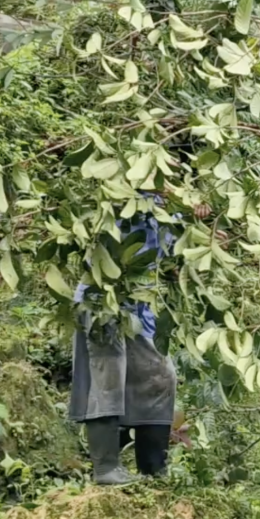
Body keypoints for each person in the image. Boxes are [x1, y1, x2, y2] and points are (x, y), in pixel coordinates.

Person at [69, 202, 178, 485]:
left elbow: (172, 256)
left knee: (161, 377)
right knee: (108, 378)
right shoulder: (123, 197)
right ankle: (106, 469)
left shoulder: (174, 210)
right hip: (102, 300)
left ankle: (153, 470)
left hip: (140, 306)